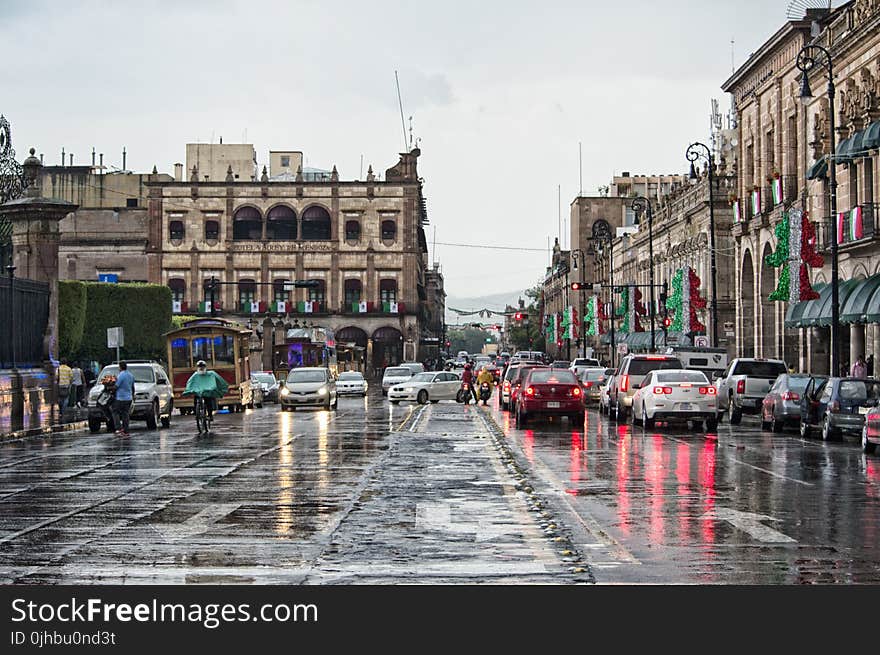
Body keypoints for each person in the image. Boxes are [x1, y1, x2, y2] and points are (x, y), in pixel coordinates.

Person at [183, 360, 229, 427]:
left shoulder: (211, 374)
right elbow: (190, 383)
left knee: (208, 400)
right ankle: (197, 414)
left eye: (202, 367)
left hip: (207, 392)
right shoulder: (195, 375)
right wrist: (189, 389)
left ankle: (210, 415)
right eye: (199, 367)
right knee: (196, 400)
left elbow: (219, 380)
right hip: (198, 392)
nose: (201, 368)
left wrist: (216, 387)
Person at [112, 361, 135, 437]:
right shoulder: (130, 375)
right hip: (128, 398)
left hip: (120, 398)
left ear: (120, 367)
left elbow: (116, 386)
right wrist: (132, 395)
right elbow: (132, 387)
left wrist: (111, 389)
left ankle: (118, 428)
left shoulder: (121, 375)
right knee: (125, 414)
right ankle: (126, 430)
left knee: (115, 411)